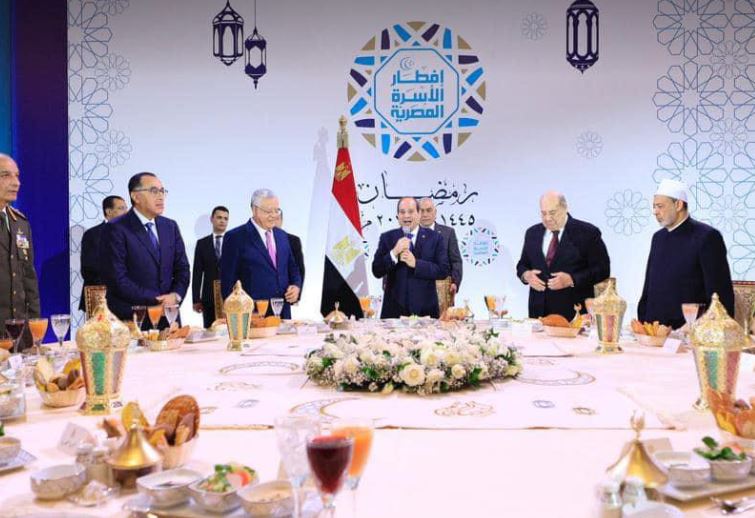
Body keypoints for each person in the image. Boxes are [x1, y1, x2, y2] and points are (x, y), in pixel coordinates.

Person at [638, 179, 735, 329]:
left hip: (689, 332)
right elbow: (649, 287)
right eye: (654, 206)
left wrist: (694, 327)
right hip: (654, 331)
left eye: (660, 206)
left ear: (678, 205)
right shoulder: (658, 238)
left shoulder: (707, 237)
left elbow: (719, 295)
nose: (655, 211)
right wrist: (643, 322)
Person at [100, 172, 190, 326]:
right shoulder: (115, 228)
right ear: (136, 196)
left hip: (169, 317)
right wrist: (157, 300)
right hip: (133, 319)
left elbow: (183, 269)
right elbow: (117, 279)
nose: (161, 197)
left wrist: (175, 296)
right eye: (154, 191)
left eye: (162, 191)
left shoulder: (170, 226)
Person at [516, 191, 610, 319]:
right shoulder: (532, 233)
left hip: (574, 315)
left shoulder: (587, 233)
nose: (547, 218)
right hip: (538, 314)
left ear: (565, 208)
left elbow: (602, 270)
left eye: (552, 213)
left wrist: (572, 279)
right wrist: (526, 275)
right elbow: (522, 264)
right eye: (543, 213)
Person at [220, 189, 302, 319]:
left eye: (276, 210)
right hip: (251, 316)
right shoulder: (236, 237)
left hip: (283, 313)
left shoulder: (282, 236)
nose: (274, 215)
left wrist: (296, 286)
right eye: (268, 211)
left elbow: (292, 267)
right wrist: (235, 317)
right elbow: (227, 281)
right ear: (255, 210)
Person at [372, 197, 449, 318]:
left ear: (419, 214)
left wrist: (416, 264)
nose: (406, 216)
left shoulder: (435, 238)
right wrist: (394, 253)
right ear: (397, 216)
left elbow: (443, 270)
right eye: (402, 212)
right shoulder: (387, 238)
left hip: (425, 313)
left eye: (411, 211)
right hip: (394, 314)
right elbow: (376, 270)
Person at [0, 154, 39, 350]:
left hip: (19, 333)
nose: (16, 182)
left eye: (17, 175)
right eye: (5, 175)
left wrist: (34, 329)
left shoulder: (20, 223)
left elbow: (28, 278)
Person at [78, 195, 127, 312]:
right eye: (121, 208)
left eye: (126, 208)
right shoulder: (92, 235)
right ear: (109, 211)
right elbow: (89, 268)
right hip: (101, 297)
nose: (126, 212)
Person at [192, 206, 229, 328]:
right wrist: (196, 299)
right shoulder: (202, 244)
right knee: (209, 331)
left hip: (230, 297)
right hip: (208, 298)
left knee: (231, 331)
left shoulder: (233, 242)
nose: (222, 221)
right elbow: (197, 273)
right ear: (212, 219)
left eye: (225, 218)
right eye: (219, 217)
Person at [418, 197, 463, 297]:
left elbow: (456, 261)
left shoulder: (448, 233)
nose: (425, 214)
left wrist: (455, 282)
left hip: (443, 293)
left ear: (435, 213)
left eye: (428, 210)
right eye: (421, 211)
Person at [274, 209, 304, 299]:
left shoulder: (292, 241)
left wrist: (296, 292)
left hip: (285, 295)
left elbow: (299, 268)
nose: (274, 222)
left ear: (281, 221)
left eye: (277, 219)